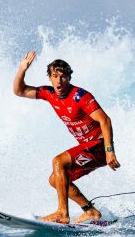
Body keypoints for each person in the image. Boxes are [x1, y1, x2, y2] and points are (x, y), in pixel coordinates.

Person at [13, 51, 121, 224]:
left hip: (99, 146)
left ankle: (62, 213)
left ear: (69, 78)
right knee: (56, 179)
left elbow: (105, 120)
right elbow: (20, 91)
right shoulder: (49, 94)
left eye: (63, 77)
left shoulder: (80, 96)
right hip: (88, 149)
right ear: (49, 78)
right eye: (55, 76)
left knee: (58, 161)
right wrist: (22, 69)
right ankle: (90, 211)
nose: (59, 81)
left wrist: (109, 151)